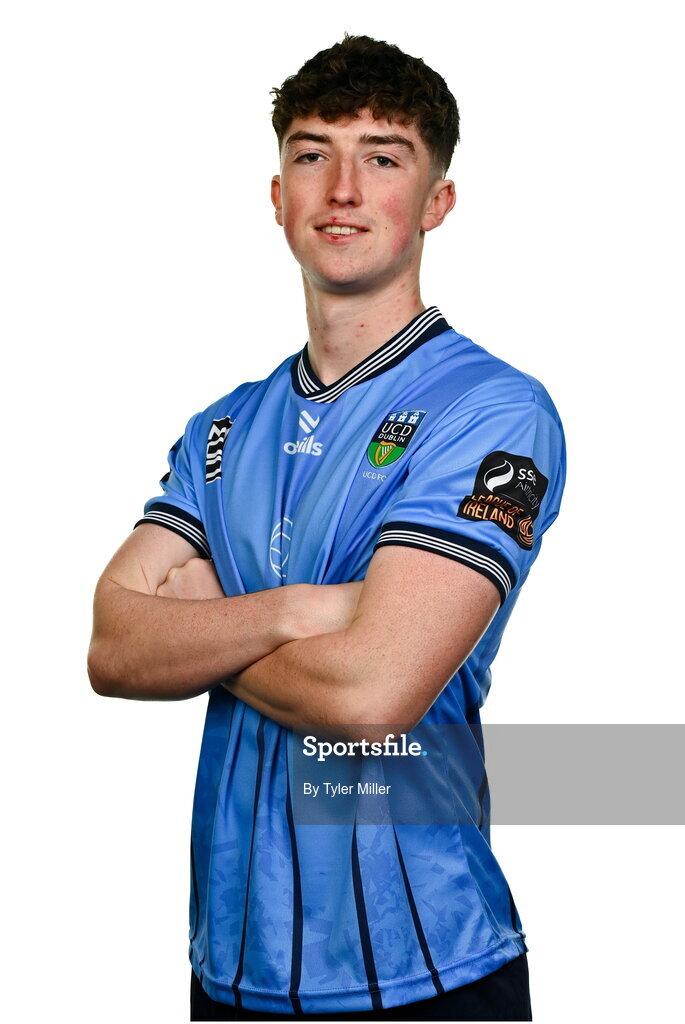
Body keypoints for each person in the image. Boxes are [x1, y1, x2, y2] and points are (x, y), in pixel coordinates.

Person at [88, 34, 565, 1021]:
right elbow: (111, 645)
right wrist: (310, 608)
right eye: (312, 154)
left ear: (435, 201)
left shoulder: (492, 411)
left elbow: (370, 697)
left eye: (382, 156)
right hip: (226, 970)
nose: (341, 188)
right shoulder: (221, 428)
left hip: (430, 970)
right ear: (277, 195)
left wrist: (205, 620)